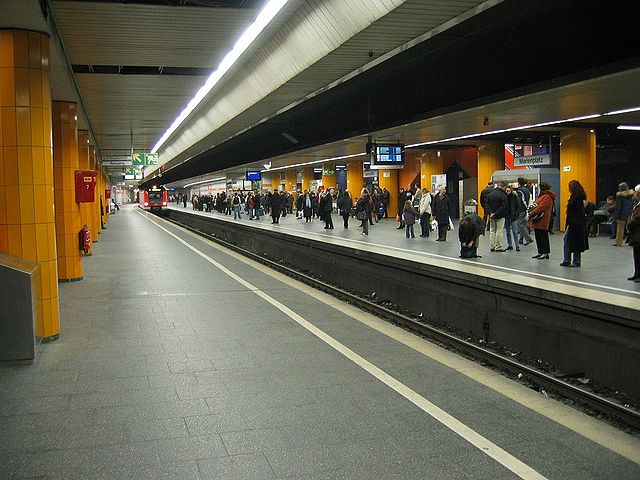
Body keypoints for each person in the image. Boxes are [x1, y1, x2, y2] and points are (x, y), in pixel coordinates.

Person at [560, 180, 589, 267]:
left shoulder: (575, 198)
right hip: (578, 223)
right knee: (576, 242)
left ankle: (568, 260)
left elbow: (575, 211)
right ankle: (575, 260)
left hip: (574, 223)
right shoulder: (580, 197)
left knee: (567, 240)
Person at [528, 182, 555, 259]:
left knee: (543, 236)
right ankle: (540, 252)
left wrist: (532, 212)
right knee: (538, 236)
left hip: (542, 219)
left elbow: (541, 207)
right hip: (538, 219)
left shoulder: (546, 197)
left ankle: (545, 252)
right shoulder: (543, 196)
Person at [486, 181, 508, 252]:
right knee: (499, 231)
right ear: (503, 187)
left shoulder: (491, 193)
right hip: (500, 216)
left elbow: (486, 204)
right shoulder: (503, 195)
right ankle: (498, 246)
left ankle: (492, 246)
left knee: (492, 231)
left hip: (491, 216)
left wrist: (491, 213)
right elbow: (504, 206)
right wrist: (496, 213)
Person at [625, 184, 640, 282]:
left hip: (638, 233)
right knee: (636, 255)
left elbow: (637, 219)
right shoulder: (637, 204)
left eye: (636, 192)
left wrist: (629, 223)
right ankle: (637, 273)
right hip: (636, 235)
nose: (635, 194)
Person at [613, 182, 635, 247]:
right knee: (631, 227)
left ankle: (618, 242)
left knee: (620, 228)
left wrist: (616, 217)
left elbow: (618, 207)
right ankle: (631, 241)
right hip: (630, 213)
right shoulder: (631, 194)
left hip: (622, 214)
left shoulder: (619, 196)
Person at [516, 178, 533, 245]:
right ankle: (521, 239)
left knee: (520, 224)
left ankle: (528, 238)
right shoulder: (527, 190)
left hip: (521, 209)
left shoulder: (520, 191)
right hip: (526, 209)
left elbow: (520, 201)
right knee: (523, 224)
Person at [504, 186, 520, 251]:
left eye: (509, 191)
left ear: (511, 191)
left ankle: (517, 245)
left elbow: (518, 206)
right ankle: (510, 245)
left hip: (513, 217)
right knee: (508, 232)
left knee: (514, 231)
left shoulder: (515, 197)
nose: (508, 192)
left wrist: (516, 214)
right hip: (506, 216)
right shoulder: (504, 197)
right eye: (507, 191)